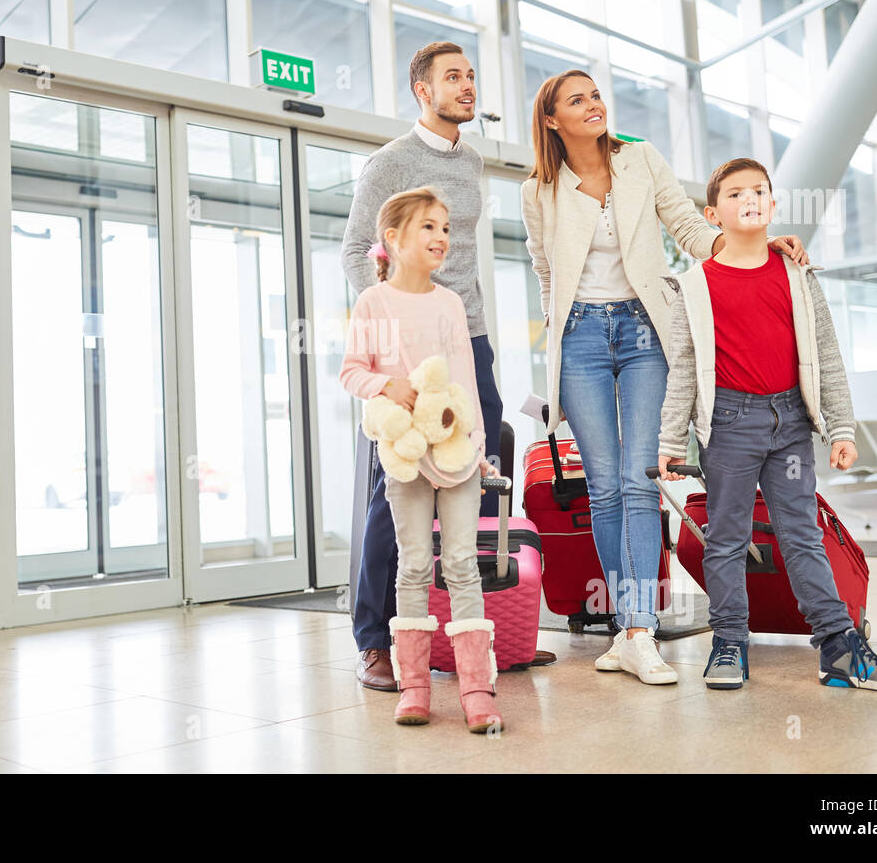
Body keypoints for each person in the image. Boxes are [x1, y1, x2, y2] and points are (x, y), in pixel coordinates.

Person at [521, 70, 808, 685]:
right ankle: (627, 631)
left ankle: (639, 629)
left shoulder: (642, 160)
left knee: (639, 478)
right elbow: (546, 274)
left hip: (646, 329)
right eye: (577, 101)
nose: (594, 106)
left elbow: (692, 231)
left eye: (595, 94)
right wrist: (556, 345)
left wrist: (753, 240)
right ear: (552, 120)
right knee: (601, 487)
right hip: (579, 342)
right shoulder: (538, 190)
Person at [656, 158, 877, 693]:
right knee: (725, 539)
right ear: (713, 213)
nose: (749, 198)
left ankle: (839, 650)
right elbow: (683, 364)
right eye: (735, 193)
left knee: (803, 536)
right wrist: (667, 440)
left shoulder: (798, 273)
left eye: (759, 190)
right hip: (729, 422)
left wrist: (842, 428)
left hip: (792, 421)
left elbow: (826, 354)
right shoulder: (697, 284)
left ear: (772, 205)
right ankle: (729, 642)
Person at [342, 41, 527, 692]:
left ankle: (458, 635)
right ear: (423, 89)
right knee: (391, 490)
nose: (467, 87)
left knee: (470, 475)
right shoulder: (390, 163)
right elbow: (355, 252)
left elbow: (462, 256)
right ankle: (373, 639)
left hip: (469, 341)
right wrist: (392, 333)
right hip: (407, 353)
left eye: (471, 77)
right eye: (454, 77)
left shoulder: (472, 160)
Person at [340, 187, 504, 731]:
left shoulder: (449, 303)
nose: (441, 238)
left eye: (446, 228)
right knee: (412, 565)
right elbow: (351, 372)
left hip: (456, 455)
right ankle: (413, 688)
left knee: (460, 563)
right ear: (392, 238)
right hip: (404, 456)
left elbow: (464, 380)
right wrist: (389, 384)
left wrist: (478, 447)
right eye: (429, 227)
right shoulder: (373, 303)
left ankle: (477, 689)